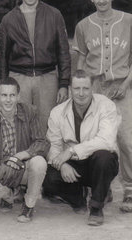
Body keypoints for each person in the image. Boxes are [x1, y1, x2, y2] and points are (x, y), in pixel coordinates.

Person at [73, 0, 132, 213]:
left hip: (122, 85)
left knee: (126, 140)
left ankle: (129, 189)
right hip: (95, 85)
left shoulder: (128, 20)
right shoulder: (83, 25)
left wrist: (127, 83)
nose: (101, 0)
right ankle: (101, 186)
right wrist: (81, 88)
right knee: (94, 139)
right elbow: (81, 60)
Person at [43, 70, 119, 226]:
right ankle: (78, 198)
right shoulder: (57, 112)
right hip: (74, 165)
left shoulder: (106, 106)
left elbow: (107, 141)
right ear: (70, 89)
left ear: (93, 88)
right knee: (48, 178)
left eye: (86, 88)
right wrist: (62, 165)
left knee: (104, 157)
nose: (81, 93)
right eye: (77, 89)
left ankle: (97, 207)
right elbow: (54, 146)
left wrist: (71, 151)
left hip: (97, 163)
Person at [0, 0, 70, 131]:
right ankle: (22, 156)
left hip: (47, 77)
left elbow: (63, 51)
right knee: (20, 123)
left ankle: (46, 156)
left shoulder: (54, 15)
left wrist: (64, 83)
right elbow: (2, 56)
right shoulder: (9, 19)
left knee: (48, 124)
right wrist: (2, 84)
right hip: (19, 77)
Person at [0, 77, 49, 223]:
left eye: (12, 95)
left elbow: (42, 142)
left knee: (39, 163)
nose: (8, 100)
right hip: (5, 169)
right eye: (4, 95)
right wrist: (2, 171)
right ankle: (10, 197)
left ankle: (28, 205)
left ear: (18, 96)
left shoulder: (30, 112)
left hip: (24, 165)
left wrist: (22, 155)